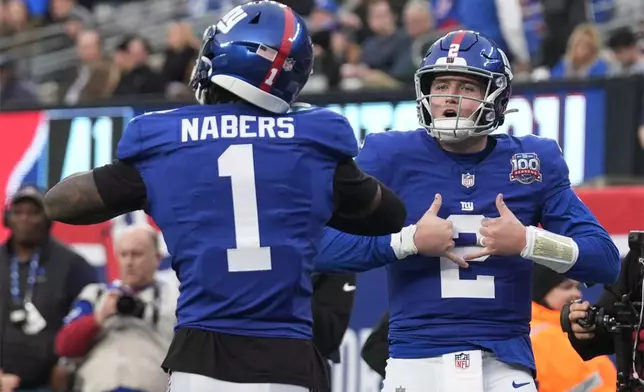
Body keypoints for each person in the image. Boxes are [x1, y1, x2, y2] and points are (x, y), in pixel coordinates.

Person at [42, 2, 407, 392]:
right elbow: (388, 214)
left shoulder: (167, 141)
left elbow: (60, 203)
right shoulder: (314, 140)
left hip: (203, 356)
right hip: (290, 359)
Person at [315, 30, 620, 392]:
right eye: (441, 85)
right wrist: (406, 242)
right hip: (417, 357)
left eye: (467, 88)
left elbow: (606, 260)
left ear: (497, 97)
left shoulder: (532, 161)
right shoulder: (389, 154)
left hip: (504, 359)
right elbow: (315, 246)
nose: (449, 99)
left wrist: (528, 241)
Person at [529, 264, 615, 392]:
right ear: (542, 292)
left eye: (577, 287)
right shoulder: (541, 336)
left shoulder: (570, 330)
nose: (577, 293)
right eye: (567, 287)